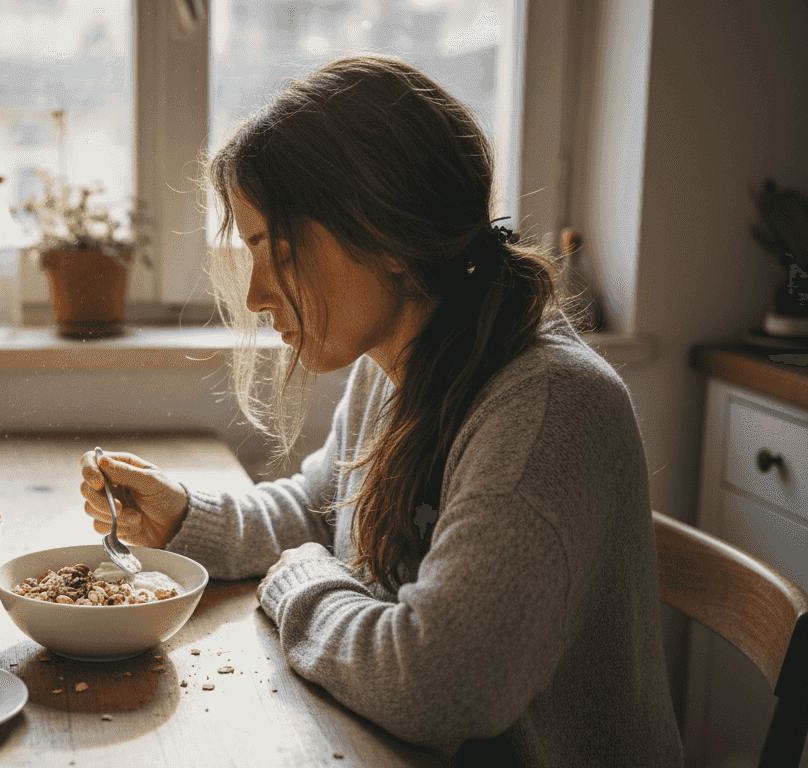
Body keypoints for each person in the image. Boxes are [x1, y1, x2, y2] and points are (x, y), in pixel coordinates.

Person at [77, 55, 683, 766]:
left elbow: (441, 684)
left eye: (280, 252)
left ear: (387, 238)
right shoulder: (400, 358)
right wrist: (184, 516)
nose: (257, 295)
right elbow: (321, 509)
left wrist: (302, 583)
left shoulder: (548, 409)